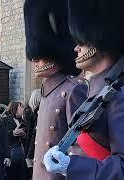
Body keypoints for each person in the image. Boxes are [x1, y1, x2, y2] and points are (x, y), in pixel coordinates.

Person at [43, 0, 124, 179]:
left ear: (98, 40)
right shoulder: (101, 91)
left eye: (81, 41)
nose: (76, 48)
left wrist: (72, 166)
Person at [23, 1, 88, 180]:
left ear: (56, 54)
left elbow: (80, 149)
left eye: (40, 55)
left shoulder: (74, 90)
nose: (35, 60)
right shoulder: (45, 92)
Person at [2, 102, 27, 180]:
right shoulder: (5, 120)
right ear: (14, 108)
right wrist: (13, 132)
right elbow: (2, 135)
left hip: (22, 154)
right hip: (11, 153)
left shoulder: (23, 121)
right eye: (21, 107)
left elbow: (28, 137)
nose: (23, 109)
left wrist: (23, 135)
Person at [23, 89, 41, 178]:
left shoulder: (30, 113)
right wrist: (29, 156)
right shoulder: (33, 115)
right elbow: (32, 135)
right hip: (32, 151)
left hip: (31, 150)